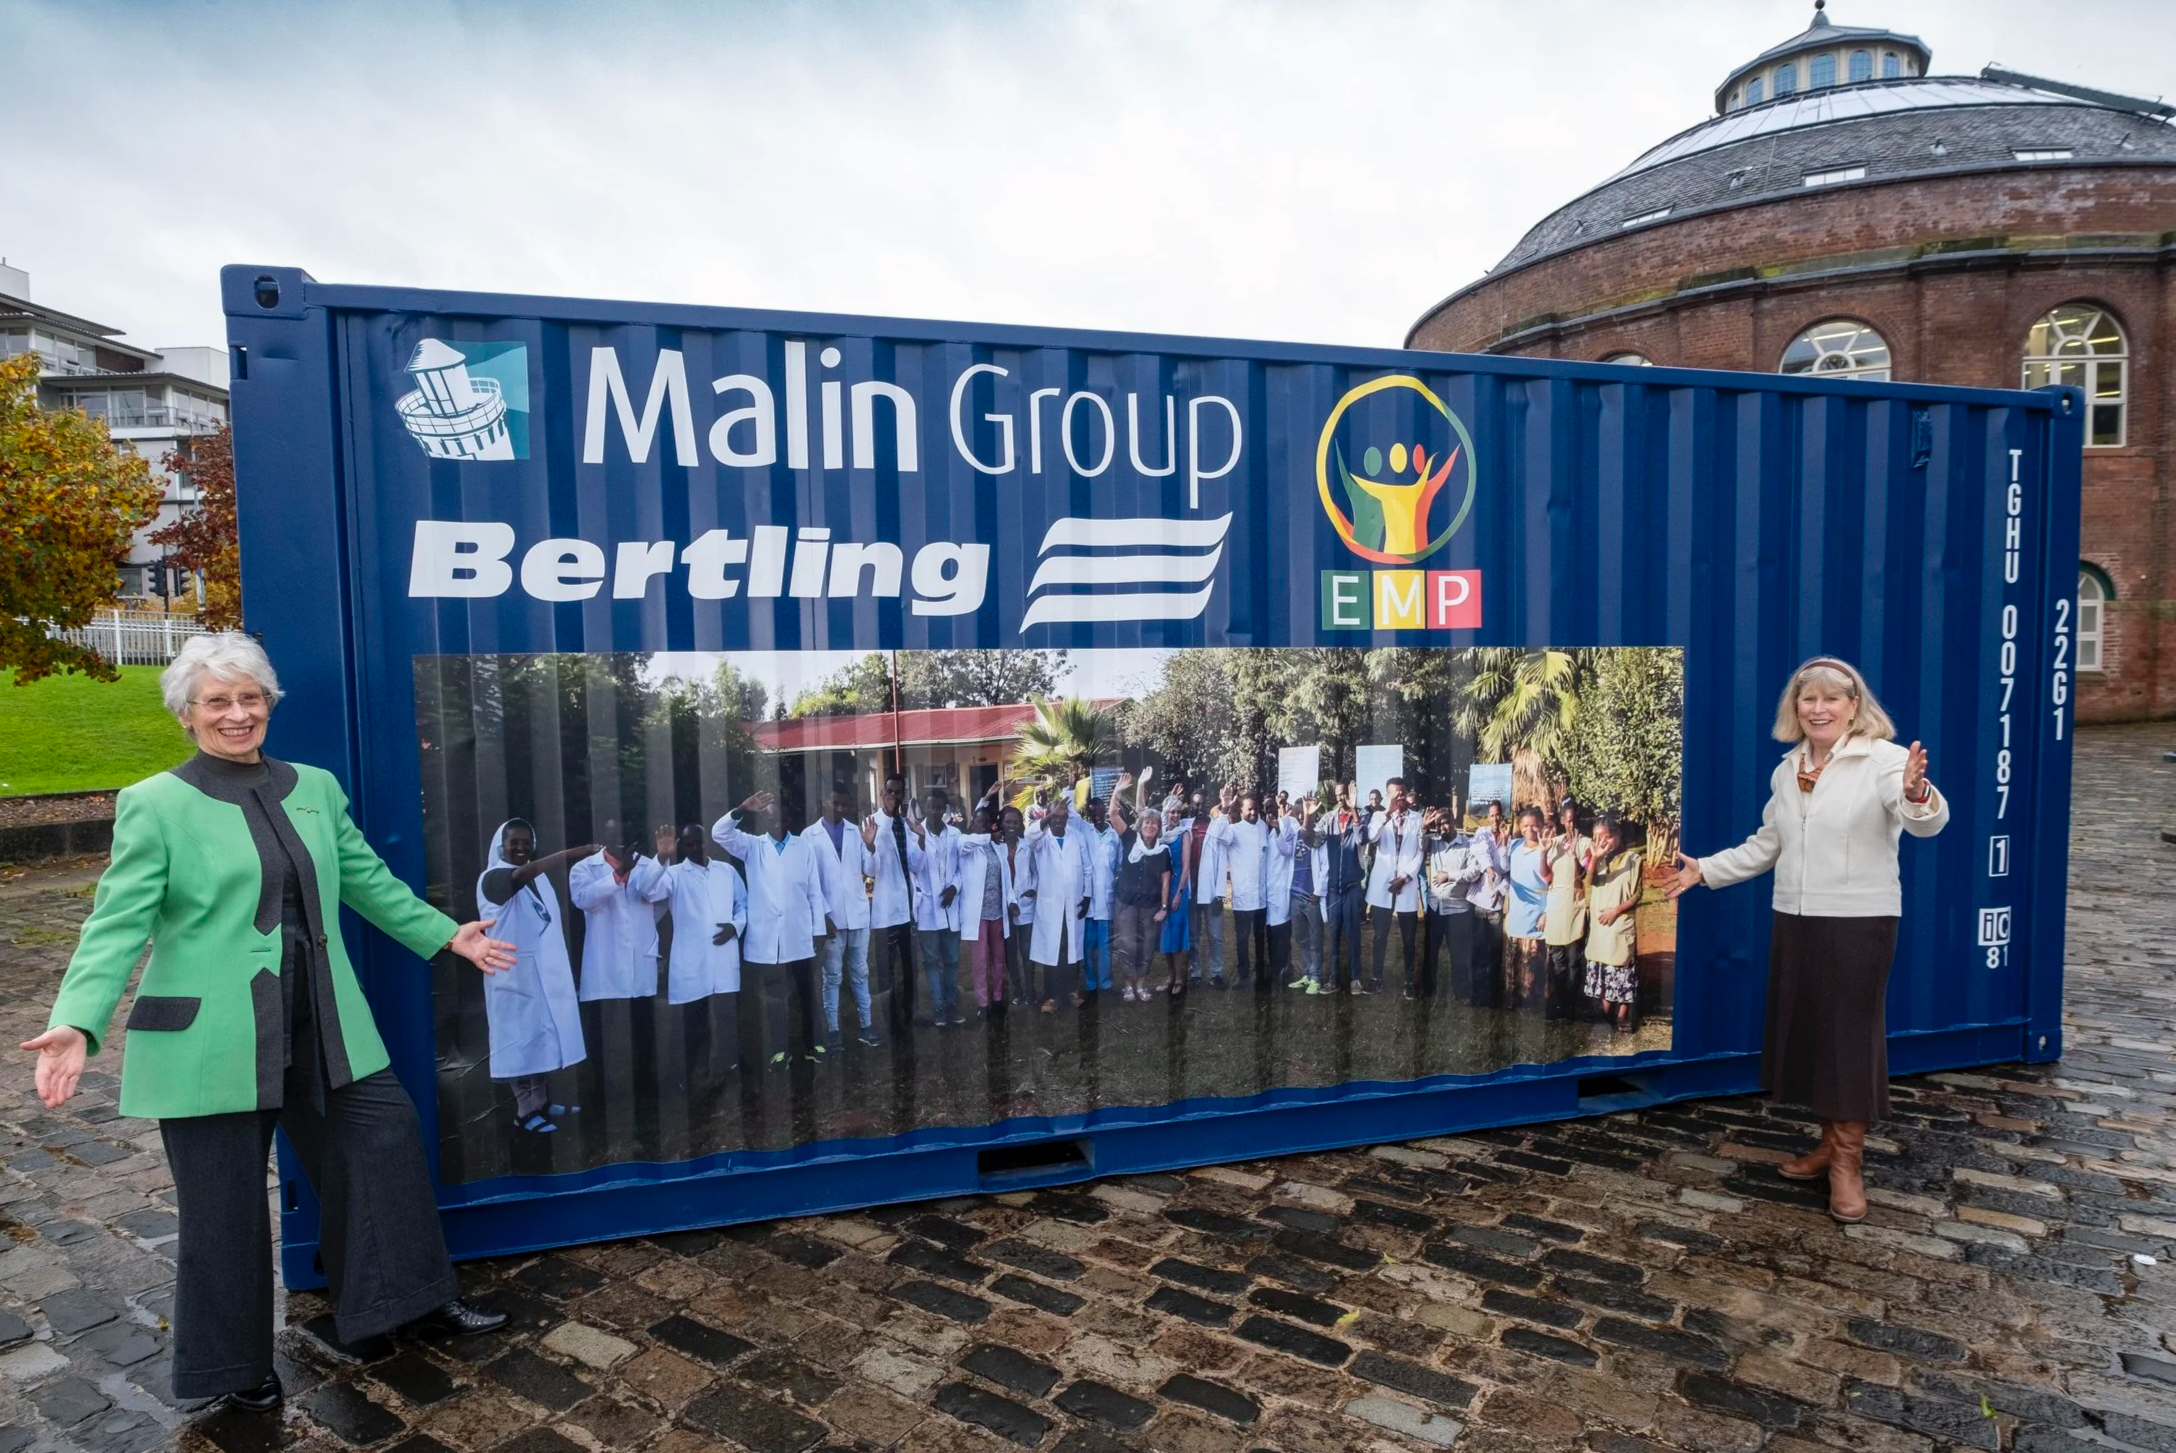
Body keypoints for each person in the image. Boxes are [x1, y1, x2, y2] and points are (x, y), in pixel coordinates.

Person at [24, 633, 511, 1415]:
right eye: (217, 700)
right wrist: (78, 1021)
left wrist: (443, 932)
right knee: (222, 1207)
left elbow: (364, 877)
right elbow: (116, 924)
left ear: (269, 703)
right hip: (209, 1036)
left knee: (382, 1146)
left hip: (324, 1018)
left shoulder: (313, 785)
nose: (237, 712)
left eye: (250, 697)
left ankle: (406, 1302)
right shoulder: (156, 801)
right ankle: (232, 1368)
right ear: (187, 712)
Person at [1668, 656, 1945, 1223]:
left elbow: (1924, 820)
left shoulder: (1885, 761)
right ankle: (1827, 1143)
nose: (1818, 709)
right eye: (1807, 699)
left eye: (1831, 699)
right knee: (1814, 1034)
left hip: (1859, 920)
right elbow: (1769, 841)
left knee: (1848, 1036)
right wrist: (1707, 869)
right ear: (1794, 708)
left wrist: (1918, 795)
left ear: (1854, 707)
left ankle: (1848, 1162)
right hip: (1796, 916)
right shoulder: (1788, 766)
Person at [478, 821, 594, 1133]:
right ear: (500, 845)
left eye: (526, 843)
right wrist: (571, 853)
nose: (519, 848)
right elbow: (515, 879)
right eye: (513, 842)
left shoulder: (537, 879)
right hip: (511, 974)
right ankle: (523, 1111)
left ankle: (542, 1102)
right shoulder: (492, 878)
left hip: (541, 973)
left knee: (543, 1040)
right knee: (519, 1044)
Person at [712, 792, 832, 1068]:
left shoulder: (803, 847)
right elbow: (719, 833)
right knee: (775, 997)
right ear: (762, 821)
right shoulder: (752, 847)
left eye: (780, 818)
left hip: (799, 933)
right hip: (767, 937)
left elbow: (814, 891)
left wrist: (818, 929)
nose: (774, 823)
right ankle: (779, 1050)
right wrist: (742, 807)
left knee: (806, 993)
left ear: (789, 819)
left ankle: (813, 1043)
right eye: (768, 818)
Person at [658, 821, 745, 1076]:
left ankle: (728, 1066)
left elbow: (743, 904)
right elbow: (649, 890)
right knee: (691, 1023)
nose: (695, 847)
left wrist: (735, 926)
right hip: (691, 960)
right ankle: (683, 1075)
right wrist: (662, 858)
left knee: (726, 1017)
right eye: (688, 844)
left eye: (698, 842)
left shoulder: (726, 871)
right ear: (682, 847)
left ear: (706, 842)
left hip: (723, 956)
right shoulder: (673, 875)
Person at [806, 792, 880, 1051]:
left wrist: (870, 846)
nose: (839, 807)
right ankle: (834, 1030)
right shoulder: (809, 836)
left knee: (860, 973)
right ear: (822, 802)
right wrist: (822, 915)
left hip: (858, 915)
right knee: (832, 975)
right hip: (830, 919)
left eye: (843, 803)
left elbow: (871, 870)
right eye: (833, 802)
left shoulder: (855, 832)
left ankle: (867, 1026)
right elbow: (810, 883)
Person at [568, 826, 670, 1002]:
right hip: (604, 966)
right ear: (602, 837)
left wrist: (642, 924)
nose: (618, 837)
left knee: (643, 1023)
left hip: (640, 964)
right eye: (611, 832)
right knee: (606, 1025)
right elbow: (583, 900)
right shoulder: (584, 868)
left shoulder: (650, 865)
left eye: (622, 831)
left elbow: (660, 899)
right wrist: (620, 873)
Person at [1021, 794, 1094, 1011]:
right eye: (1055, 816)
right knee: (1051, 949)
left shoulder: (1077, 837)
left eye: (1063, 816)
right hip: (1050, 906)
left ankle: (1071, 991)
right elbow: (1028, 835)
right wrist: (1050, 814)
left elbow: (1088, 868)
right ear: (1049, 816)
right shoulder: (1042, 838)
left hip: (1074, 904)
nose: (1059, 820)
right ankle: (1051, 996)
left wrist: (1088, 896)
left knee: (1072, 947)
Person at [908, 788, 967, 1027]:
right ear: (924, 806)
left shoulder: (955, 834)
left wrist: (954, 887)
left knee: (952, 960)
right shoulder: (914, 833)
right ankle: (939, 1008)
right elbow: (914, 866)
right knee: (931, 962)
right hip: (927, 911)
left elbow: (963, 868)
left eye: (939, 807)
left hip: (950, 906)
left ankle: (952, 1006)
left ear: (946, 809)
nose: (935, 811)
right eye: (931, 807)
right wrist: (921, 840)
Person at [1583, 812, 1645, 1035]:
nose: (1602, 842)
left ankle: (1622, 1016)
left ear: (1617, 835)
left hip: (1619, 923)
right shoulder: (1597, 860)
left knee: (1622, 969)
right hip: (1601, 928)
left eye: (1606, 837)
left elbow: (1638, 894)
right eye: (1597, 838)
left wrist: (1615, 911)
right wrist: (1595, 858)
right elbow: (1589, 882)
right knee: (1604, 970)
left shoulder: (1633, 859)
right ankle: (1604, 1012)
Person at [866, 773, 919, 1035]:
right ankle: (890, 1022)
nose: (894, 797)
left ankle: (908, 1015)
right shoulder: (872, 823)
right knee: (886, 971)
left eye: (898, 792)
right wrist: (873, 842)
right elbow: (869, 870)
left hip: (907, 909)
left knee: (910, 969)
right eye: (889, 791)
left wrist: (920, 838)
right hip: (886, 912)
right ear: (881, 792)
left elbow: (916, 864)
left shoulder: (905, 823)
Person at [1365, 778, 1425, 996]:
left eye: (1403, 793)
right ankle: (1376, 977)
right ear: (1388, 795)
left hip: (1405, 884)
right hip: (1383, 886)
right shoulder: (1379, 817)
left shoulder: (1417, 819)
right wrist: (1387, 813)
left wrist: (1405, 877)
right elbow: (1372, 838)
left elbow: (1419, 852)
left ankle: (1409, 981)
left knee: (1409, 938)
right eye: (1395, 794)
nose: (1400, 797)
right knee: (1380, 935)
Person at [956, 803, 1016, 1014]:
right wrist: (988, 836)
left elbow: (1006, 880)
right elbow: (967, 843)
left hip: (997, 912)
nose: (982, 825)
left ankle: (998, 997)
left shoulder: (997, 847)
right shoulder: (965, 844)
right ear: (972, 824)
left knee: (998, 958)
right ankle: (982, 1003)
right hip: (978, 914)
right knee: (980, 960)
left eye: (986, 822)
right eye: (978, 822)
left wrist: (1012, 900)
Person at [1310, 783, 1370, 994]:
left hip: (1353, 888)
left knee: (1353, 935)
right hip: (1334, 889)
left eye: (1344, 794)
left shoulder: (1361, 814)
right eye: (1338, 795)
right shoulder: (1328, 819)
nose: (1341, 798)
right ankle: (1333, 980)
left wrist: (1354, 810)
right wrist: (1308, 818)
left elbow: (1363, 838)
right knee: (1333, 936)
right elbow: (1313, 841)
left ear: (1350, 794)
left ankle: (1355, 978)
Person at [1207, 794, 1273, 987]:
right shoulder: (1233, 830)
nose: (1253, 812)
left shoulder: (1264, 827)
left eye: (1255, 808)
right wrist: (1225, 808)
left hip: (1262, 897)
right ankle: (1243, 976)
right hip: (1243, 896)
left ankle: (1261, 975)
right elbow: (1217, 834)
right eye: (1249, 809)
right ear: (1242, 810)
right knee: (1242, 939)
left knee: (1261, 939)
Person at [1422, 805, 1484, 1003]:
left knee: (1459, 954)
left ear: (1454, 822)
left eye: (1445, 823)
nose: (1442, 828)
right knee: (1430, 952)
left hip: (1458, 910)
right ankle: (1428, 989)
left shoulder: (1467, 845)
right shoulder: (1434, 842)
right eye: (1438, 825)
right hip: (1435, 908)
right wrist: (1425, 827)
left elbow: (1474, 872)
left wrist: (1449, 876)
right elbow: (1419, 845)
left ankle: (1462, 992)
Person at [1111, 800, 1171, 1001]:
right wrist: (1118, 790)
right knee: (1127, 944)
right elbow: (1113, 814)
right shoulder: (1129, 839)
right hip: (1126, 903)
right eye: (1146, 822)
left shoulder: (1163, 851)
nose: (1150, 826)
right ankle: (1128, 986)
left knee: (1146, 946)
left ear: (1159, 828)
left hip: (1150, 906)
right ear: (1140, 824)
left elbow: (1165, 882)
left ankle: (1141, 986)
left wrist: (1163, 907)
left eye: (1154, 823)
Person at [1538, 798, 1590, 1022]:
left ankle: (1570, 1007)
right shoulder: (1554, 843)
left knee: (1573, 960)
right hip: (1556, 906)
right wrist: (1543, 852)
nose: (1571, 825)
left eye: (1574, 820)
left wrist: (1576, 857)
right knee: (1557, 959)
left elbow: (1588, 877)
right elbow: (1546, 877)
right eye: (1567, 821)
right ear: (1561, 821)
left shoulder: (1586, 843)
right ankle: (1558, 1003)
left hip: (1575, 906)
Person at [1504, 807, 1549, 1010]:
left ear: (1542, 825)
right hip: (1517, 912)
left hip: (1538, 913)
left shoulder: (1548, 849)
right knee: (1515, 959)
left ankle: (1535, 999)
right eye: (1525, 825)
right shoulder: (1513, 845)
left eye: (1534, 825)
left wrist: (1547, 912)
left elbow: (1555, 885)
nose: (1530, 829)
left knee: (1534, 959)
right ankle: (1513, 997)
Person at [1465, 799, 1508, 1006]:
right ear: (1487, 817)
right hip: (1481, 900)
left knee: (1494, 950)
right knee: (1478, 948)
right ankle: (1476, 993)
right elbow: (1480, 853)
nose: (1495, 818)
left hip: (1497, 902)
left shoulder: (1509, 837)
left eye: (1498, 814)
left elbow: (1509, 870)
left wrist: (1500, 889)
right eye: (1491, 815)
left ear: (1503, 816)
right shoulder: (1482, 833)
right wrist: (1490, 870)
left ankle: (1493, 994)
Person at [1189, 787, 1234, 986]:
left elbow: (1223, 858)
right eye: (1195, 803)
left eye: (1202, 803)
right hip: (1190, 891)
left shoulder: (1217, 826)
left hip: (1210, 892)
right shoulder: (1184, 826)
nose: (1199, 807)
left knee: (1214, 935)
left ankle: (1216, 972)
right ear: (1190, 805)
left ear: (1209, 805)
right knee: (1193, 936)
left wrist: (1219, 894)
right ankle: (1195, 971)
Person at [1283, 794, 1326, 992]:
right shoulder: (1294, 833)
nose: (1302, 817)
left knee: (1315, 936)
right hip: (1295, 893)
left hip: (1311, 896)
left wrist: (1318, 892)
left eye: (1306, 813)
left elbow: (1325, 866)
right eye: (1298, 814)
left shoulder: (1319, 834)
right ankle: (1307, 974)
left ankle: (1316, 977)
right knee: (1300, 936)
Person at [1081, 796, 1120, 998]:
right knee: (1088, 946)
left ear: (1104, 810)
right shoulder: (1084, 833)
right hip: (1087, 901)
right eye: (1091, 811)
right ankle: (1090, 984)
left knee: (1105, 946)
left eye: (1098, 810)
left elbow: (1119, 866)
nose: (1095, 814)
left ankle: (1105, 985)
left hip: (1106, 900)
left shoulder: (1114, 836)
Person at [998, 804, 1035, 1007]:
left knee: (1027, 951)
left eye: (1015, 822)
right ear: (1002, 824)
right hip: (1005, 907)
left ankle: (1031, 990)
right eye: (1008, 822)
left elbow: (1036, 872)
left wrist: (1033, 888)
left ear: (1020, 824)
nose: (1011, 825)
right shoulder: (997, 846)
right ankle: (1018, 991)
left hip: (1025, 903)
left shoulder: (1027, 845)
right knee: (1010, 953)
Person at [1157, 805, 1194, 996]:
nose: (1175, 815)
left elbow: (1186, 867)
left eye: (1178, 812)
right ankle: (1170, 977)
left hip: (1178, 886)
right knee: (1166, 933)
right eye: (1172, 812)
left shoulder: (1184, 834)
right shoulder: (1162, 835)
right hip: (1163, 888)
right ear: (1166, 813)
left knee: (1178, 932)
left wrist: (1179, 893)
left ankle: (1179, 978)